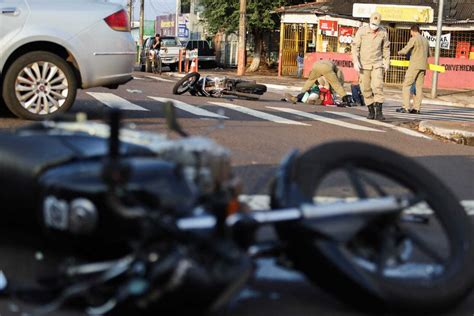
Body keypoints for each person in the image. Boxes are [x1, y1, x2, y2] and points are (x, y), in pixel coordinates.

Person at [352, 12, 390, 120]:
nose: (374, 27)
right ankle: (371, 111)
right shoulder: (362, 31)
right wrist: (355, 61)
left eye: (376, 25)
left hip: (377, 63)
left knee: (378, 86)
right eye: (373, 24)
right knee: (365, 88)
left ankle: (379, 112)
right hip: (364, 65)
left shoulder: (383, 32)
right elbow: (355, 47)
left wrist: (386, 61)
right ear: (369, 22)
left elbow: (386, 48)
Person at [285, 60, 352, 106]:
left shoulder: (321, 70)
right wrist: (343, 95)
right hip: (326, 69)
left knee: (310, 81)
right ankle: (345, 98)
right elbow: (337, 82)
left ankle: (300, 95)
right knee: (335, 84)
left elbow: (310, 79)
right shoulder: (335, 68)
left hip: (315, 66)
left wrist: (304, 90)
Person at [396, 24, 429, 114]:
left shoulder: (413, 39)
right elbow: (428, 54)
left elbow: (406, 50)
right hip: (423, 66)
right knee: (419, 88)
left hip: (414, 65)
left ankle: (405, 107)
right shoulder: (426, 40)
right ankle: (416, 108)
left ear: (412, 31)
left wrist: (399, 52)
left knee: (406, 85)